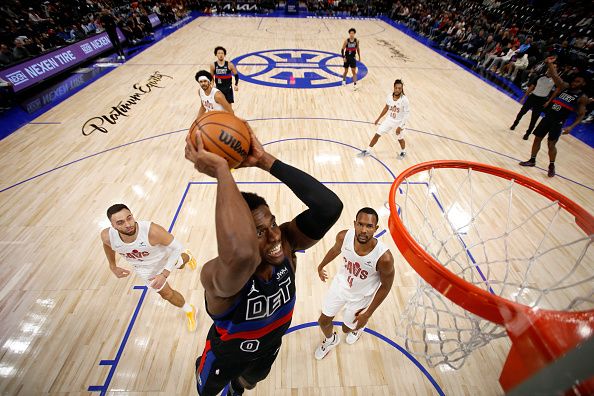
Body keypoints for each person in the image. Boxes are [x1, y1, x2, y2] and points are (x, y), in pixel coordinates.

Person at [185, 121, 343, 395]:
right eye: (259, 232)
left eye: (273, 223)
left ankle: (237, 388)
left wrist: (265, 161)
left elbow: (330, 207)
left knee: (249, 383)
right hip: (226, 355)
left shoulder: (286, 242)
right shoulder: (218, 275)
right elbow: (243, 256)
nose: (274, 236)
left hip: (270, 346)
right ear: (241, 235)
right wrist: (223, 170)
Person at [100, 204, 198, 331]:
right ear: (112, 226)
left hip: (166, 257)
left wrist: (164, 274)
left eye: (129, 218)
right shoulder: (107, 236)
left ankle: (188, 257)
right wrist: (112, 266)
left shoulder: (152, 231)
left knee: (180, 264)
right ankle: (189, 310)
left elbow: (177, 248)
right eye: (120, 222)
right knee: (166, 294)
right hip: (144, 268)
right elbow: (108, 245)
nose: (128, 224)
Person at [314, 208, 394, 360]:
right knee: (323, 321)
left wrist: (367, 314)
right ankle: (331, 340)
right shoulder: (344, 237)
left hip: (360, 297)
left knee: (346, 329)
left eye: (369, 226)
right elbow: (335, 250)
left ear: (376, 229)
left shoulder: (384, 258)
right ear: (355, 224)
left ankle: (359, 328)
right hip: (340, 287)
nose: (364, 230)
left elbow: (386, 286)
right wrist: (321, 266)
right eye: (360, 224)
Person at [519, 57, 588, 177]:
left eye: (578, 82)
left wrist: (571, 127)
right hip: (548, 117)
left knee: (551, 145)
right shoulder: (565, 87)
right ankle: (532, 160)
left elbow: (582, 114)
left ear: (583, 84)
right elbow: (555, 76)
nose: (574, 83)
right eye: (574, 81)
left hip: (558, 122)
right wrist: (550, 64)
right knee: (537, 139)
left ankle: (551, 165)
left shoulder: (582, 97)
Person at [359, 79, 410, 159]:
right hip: (389, 120)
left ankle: (403, 151)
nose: (397, 90)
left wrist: (400, 126)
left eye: (399, 88)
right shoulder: (389, 96)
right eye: (396, 88)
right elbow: (386, 108)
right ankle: (368, 150)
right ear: (394, 87)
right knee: (377, 134)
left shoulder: (405, 100)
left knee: (400, 138)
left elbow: (406, 114)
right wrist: (378, 118)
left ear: (402, 89)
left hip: (398, 123)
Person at [510, 68, 555, 139]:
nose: (552, 69)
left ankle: (527, 133)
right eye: (551, 67)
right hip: (533, 97)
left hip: (542, 100)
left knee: (534, 118)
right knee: (522, 112)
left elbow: (556, 91)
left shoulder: (555, 80)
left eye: (554, 68)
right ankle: (515, 124)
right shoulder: (540, 76)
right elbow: (532, 86)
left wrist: (549, 101)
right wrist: (524, 97)